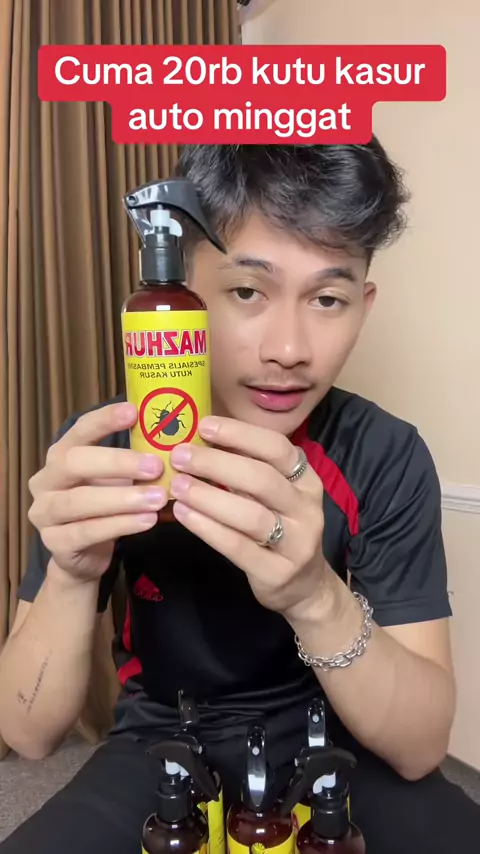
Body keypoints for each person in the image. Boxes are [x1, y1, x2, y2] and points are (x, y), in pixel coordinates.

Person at [0, 143, 478, 854]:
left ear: (363, 305)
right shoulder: (107, 450)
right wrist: (71, 574)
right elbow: (29, 732)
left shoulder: (383, 452)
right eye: (248, 292)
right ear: (183, 294)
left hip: (337, 732)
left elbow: (419, 747)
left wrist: (316, 596)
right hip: (161, 737)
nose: (289, 349)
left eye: (328, 299)